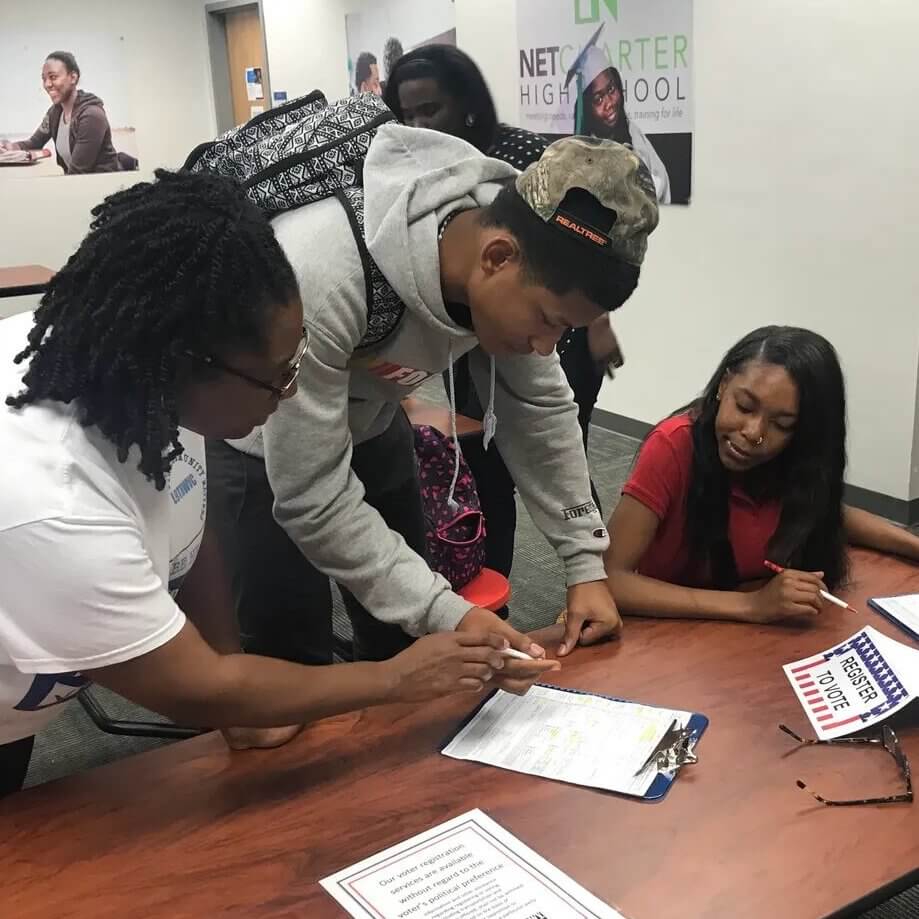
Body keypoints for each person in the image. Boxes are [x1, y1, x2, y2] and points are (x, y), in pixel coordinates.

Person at [0, 169, 517, 798]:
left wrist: (232, 680)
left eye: (296, 359)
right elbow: (191, 688)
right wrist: (396, 679)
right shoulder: (56, 503)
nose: (291, 391)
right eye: (277, 376)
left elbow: (188, 528)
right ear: (186, 361)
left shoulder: (151, 384)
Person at [209, 127, 658, 674]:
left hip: (373, 423)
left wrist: (585, 565)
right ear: (497, 257)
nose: (545, 347)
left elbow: (541, 413)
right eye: (546, 322)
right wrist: (450, 612)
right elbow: (313, 498)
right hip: (258, 442)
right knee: (288, 671)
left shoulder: (513, 249)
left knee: (407, 650)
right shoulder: (324, 277)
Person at [383, 44, 623, 578]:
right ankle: (488, 581)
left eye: (430, 109)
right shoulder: (397, 211)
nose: (419, 123)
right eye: (407, 113)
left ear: (466, 106)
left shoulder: (522, 162)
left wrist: (595, 324)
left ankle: (593, 566)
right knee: (482, 461)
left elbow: (578, 266)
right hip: (490, 318)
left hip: (551, 316)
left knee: (549, 446)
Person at [604, 326, 919, 623]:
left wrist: (912, 546)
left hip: (744, 638)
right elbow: (610, 579)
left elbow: (828, 513)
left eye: (782, 425)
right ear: (723, 386)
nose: (753, 433)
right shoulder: (673, 446)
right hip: (661, 632)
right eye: (744, 407)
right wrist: (752, 604)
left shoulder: (791, 461)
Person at [0, 51, 135, 175]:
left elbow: (78, 173)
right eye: (44, 78)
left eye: (53, 77)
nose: (47, 84)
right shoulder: (55, 113)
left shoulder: (91, 116)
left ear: (73, 78)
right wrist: (8, 147)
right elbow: (34, 143)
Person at [572, 47, 670, 205]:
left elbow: (661, 181)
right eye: (598, 99)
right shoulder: (585, 153)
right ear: (587, 111)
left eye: (611, 89)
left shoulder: (633, 132)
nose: (609, 103)